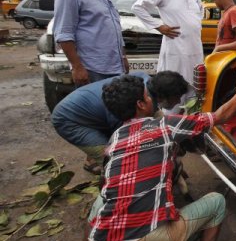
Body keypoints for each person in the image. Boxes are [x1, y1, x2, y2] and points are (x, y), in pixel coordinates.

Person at [62, 73, 236, 241]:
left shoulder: (113, 140)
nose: (151, 99)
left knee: (100, 203)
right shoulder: (166, 126)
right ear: (141, 104)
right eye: (147, 96)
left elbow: (107, 185)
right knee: (217, 202)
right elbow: (220, 116)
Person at [51, 71, 189, 174]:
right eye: (176, 98)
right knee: (117, 162)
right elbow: (124, 138)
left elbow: (158, 119)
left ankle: (92, 160)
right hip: (70, 120)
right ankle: (111, 191)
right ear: (162, 96)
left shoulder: (145, 82)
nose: (178, 102)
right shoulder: (130, 104)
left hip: (89, 109)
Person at [53, 0, 128, 86]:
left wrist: (122, 57)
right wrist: (77, 67)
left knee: (114, 107)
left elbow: (113, 27)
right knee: (95, 107)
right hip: (92, 70)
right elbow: (64, 34)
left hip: (114, 67)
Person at [132, 0, 204, 102]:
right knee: (172, 89)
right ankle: (170, 120)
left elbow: (200, 11)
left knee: (194, 90)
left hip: (195, 49)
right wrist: (158, 26)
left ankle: (189, 120)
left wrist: (191, 24)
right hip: (175, 50)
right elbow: (138, 7)